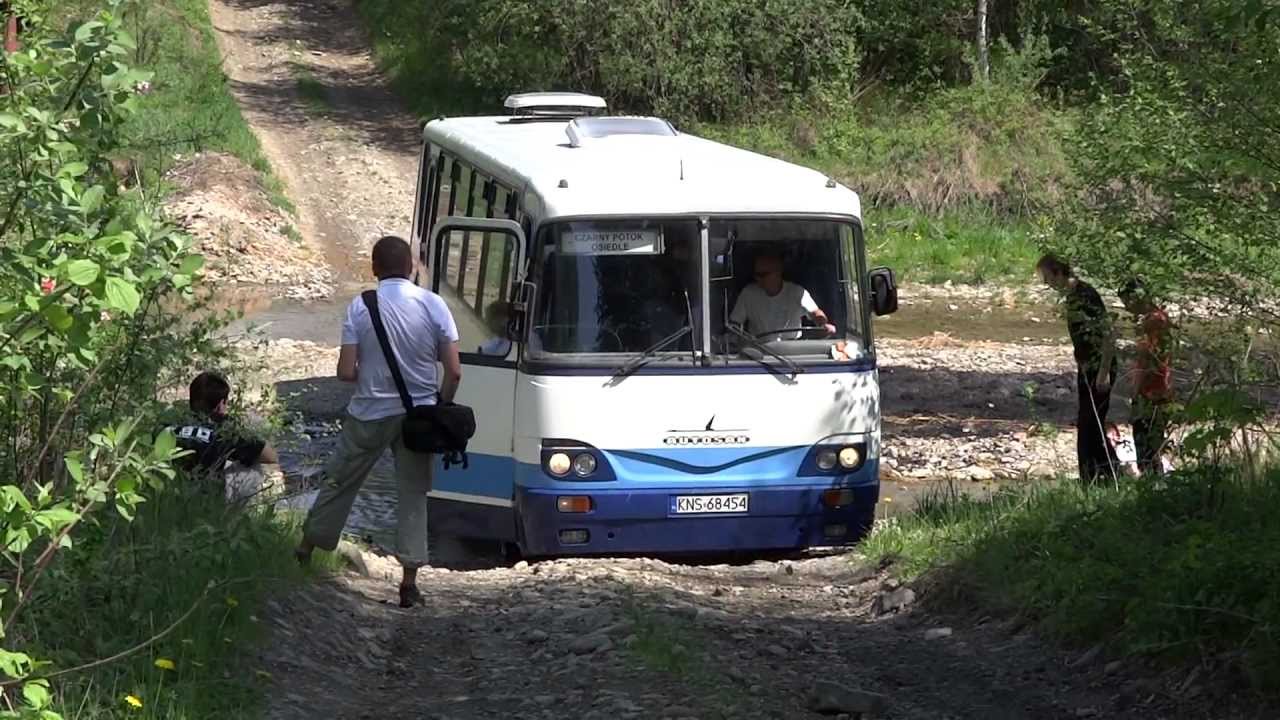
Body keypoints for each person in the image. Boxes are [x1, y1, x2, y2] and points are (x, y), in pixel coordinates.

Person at [294, 236, 462, 608]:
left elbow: (344, 371)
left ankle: (305, 550)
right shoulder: (434, 305)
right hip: (417, 419)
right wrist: (440, 405)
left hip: (368, 413)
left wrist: (370, 375)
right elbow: (454, 371)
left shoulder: (359, 306)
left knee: (340, 481)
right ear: (412, 267)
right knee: (413, 494)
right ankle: (409, 583)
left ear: (373, 269)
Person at [1036, 254, 1118, 483]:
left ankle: (1106, 476)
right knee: (1088, 424)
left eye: (1047, 277)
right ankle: (1097, 478)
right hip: (1086, 366)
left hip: (1100, 367)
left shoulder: (1086, 295)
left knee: (1091, 425)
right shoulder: (1071, 298)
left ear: (1058, 272)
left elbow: (1108, 335)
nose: (1046, 284)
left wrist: (1103, 373)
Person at [173, 371, 278, 485]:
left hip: (167, 491)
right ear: (220, 405)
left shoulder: (172, 419)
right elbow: (270, 457)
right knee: (256, 467)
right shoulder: (225, 430)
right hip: (205, 494)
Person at [1118, 278, 1173, 475]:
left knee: (1146, 443)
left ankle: (1153, 481)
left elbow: (1148, 358)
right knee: (1152, 441)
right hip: (1159, 388)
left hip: (1151, 391)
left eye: (1127, 302)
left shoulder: (1154, 321)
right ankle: (1154, 479)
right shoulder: (1160, 317)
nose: (1127, 308)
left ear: (1137, 297)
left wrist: (1135, 388)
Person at [729, 249, 835, 342]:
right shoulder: (748, 294)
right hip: (760, 350)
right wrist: (733, 338)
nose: (758, 279)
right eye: (756, 275)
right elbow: (735, 323)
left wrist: (822, 324)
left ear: (778, 272)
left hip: (794, 349)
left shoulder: (797, 292)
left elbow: (815, 313)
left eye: (763, 275)